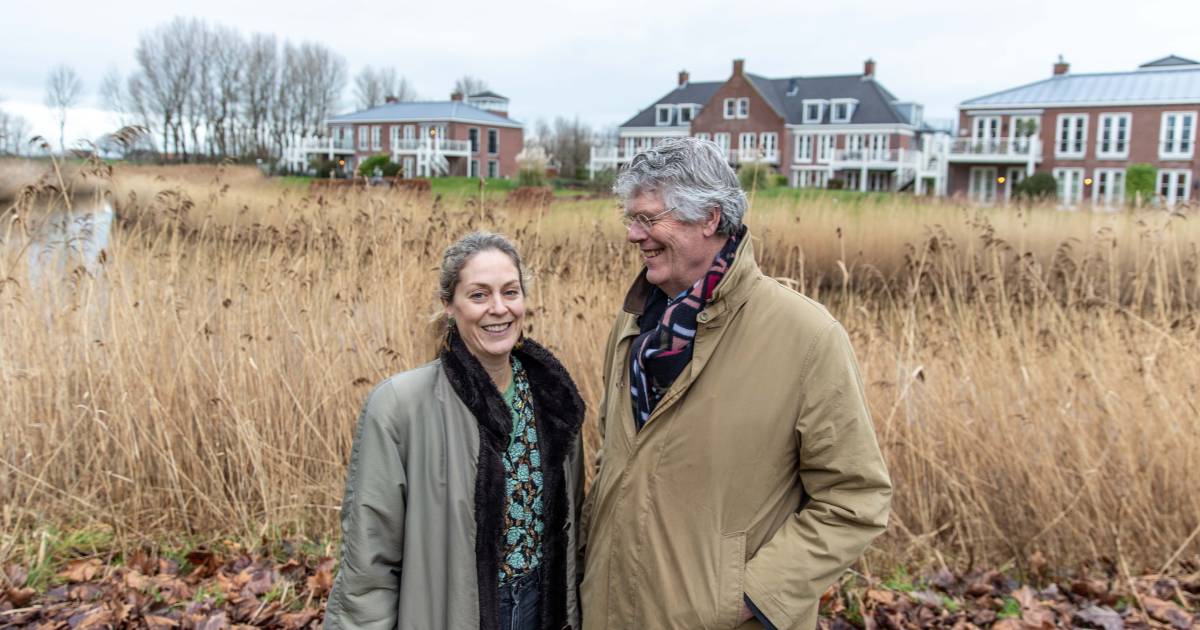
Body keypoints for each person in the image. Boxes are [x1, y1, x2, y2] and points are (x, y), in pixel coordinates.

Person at [580, 138, 892, 630]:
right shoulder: (634, 323)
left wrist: (751, 598)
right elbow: (616, 462)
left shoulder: (805, 336)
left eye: (648, 218)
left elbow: (855, 498)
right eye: (631, 218)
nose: (633, 235)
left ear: (708, 217)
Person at [326, 232, 586, 630]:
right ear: (449, 305)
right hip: (452, 613)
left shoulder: (554, 399)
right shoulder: (400, 406)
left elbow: (572, 527)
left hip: (541, 606)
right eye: (479, 295)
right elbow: (370, 558)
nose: (499, 309)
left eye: (510, 292)